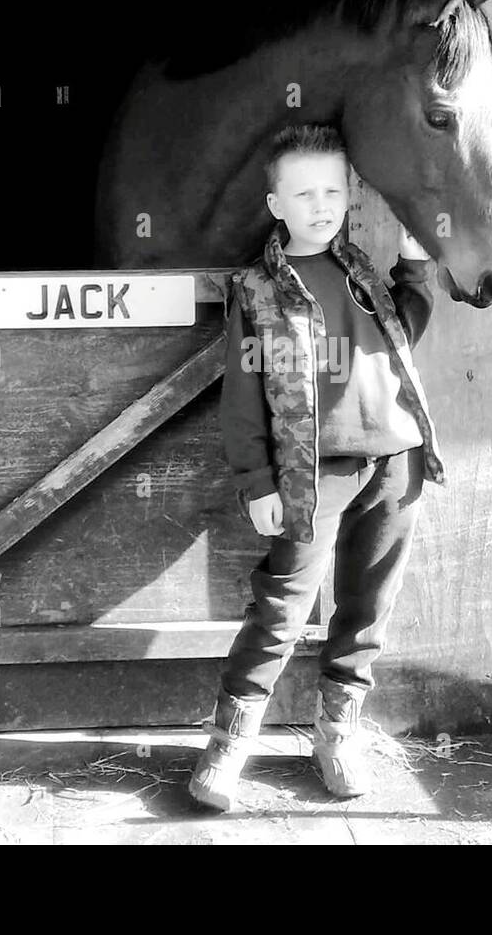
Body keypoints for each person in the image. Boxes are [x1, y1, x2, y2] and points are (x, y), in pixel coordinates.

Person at [189, 123, 447, 811]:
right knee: (281, 607)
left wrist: (414, 269)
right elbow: (243, 397)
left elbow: (404, 334)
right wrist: (255, 480)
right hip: (311, 475)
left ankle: (338, 735)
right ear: (276, 204)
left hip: (394, 462)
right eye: (304, 193)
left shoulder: (363, 270)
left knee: (366, 607)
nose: (321, 204)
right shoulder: (257, 290)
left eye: (333, 190)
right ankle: (229, 744)